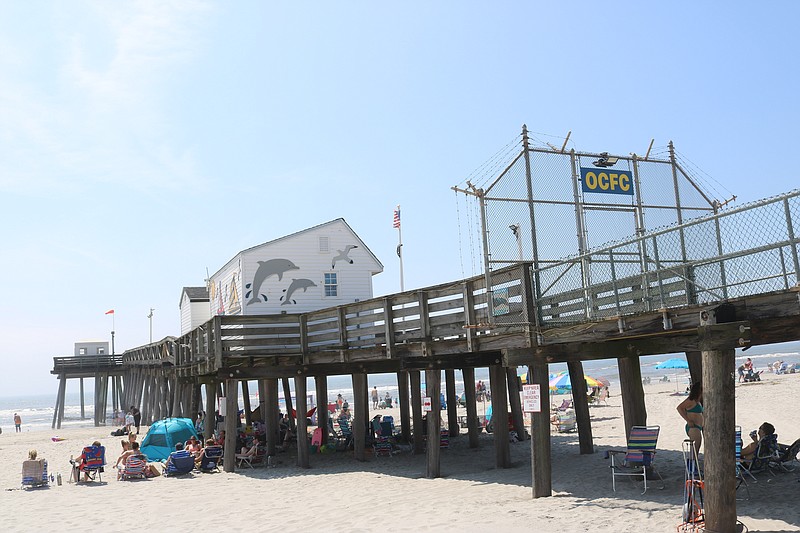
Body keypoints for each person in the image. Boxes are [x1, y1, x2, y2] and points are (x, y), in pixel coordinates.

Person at [677, 381, 704, 459]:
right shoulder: (690, 400)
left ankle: (693, 467)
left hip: (697, 427)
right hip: (693, 427)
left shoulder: (697, 401)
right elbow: (679, 408)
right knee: (694, 451)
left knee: (696, 450)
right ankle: (691, 468)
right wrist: (688, 420)